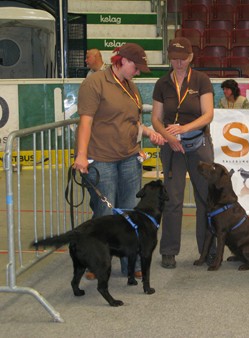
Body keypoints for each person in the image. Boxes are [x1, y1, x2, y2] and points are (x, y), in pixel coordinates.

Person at [73, 43, 166, 280]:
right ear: (122, 60)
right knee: (104, 213)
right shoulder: (94, 83)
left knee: (129, 215)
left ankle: (129, 264)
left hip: (129, 158)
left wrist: (148, 133)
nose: (138, 72)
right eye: (136, 67)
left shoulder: (131, 87)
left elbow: (132, 121)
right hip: (102, 159)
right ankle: (96, 263)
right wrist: (81, 155)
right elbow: (85, 121)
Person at [151, 37, 215, 269]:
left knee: (205, 198)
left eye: (183, 59)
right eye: (174, 59)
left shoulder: (201, 80)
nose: (178, 63)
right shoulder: (162, 83)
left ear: (190, 58)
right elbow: (156, 119)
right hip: (172, 148)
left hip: (198, 144)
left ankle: (208, 249)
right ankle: (168, 250)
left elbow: (208, 115)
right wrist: (169, 137)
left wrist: (184, 129)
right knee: (172, 199)